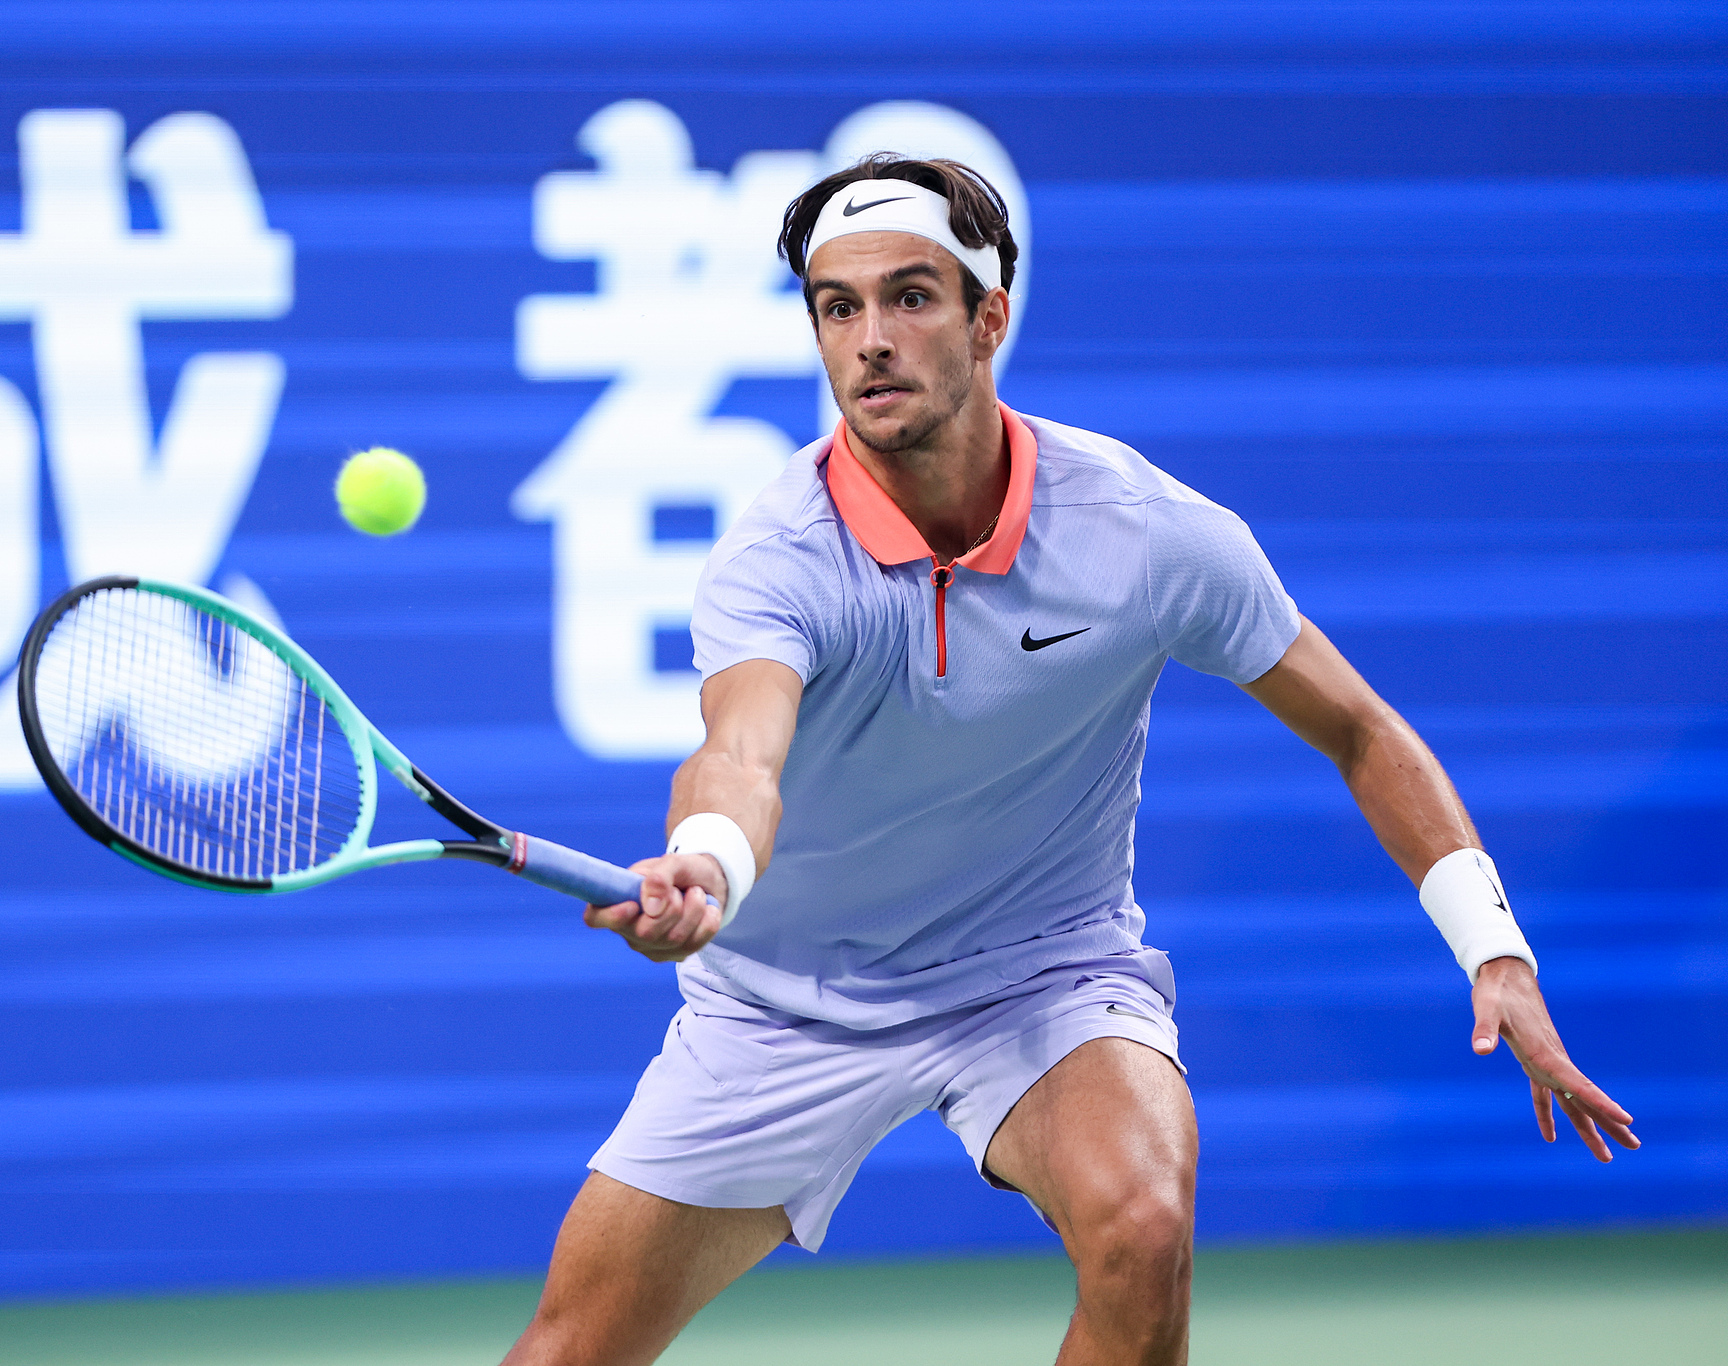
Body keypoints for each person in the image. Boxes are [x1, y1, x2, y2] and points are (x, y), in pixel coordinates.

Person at [501, 155, 1639, 1366]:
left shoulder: (1143, 535)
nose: (869, 340)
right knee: (571, 1351)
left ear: (990, 317)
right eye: (837, 307)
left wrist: (1494, 949)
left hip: (1038, 974)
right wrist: (707, 866)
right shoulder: (777, 557)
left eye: (909, 297)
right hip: (787, 1003)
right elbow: (738, 756)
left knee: (1142, 1231)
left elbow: (1357, 727)